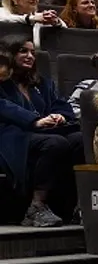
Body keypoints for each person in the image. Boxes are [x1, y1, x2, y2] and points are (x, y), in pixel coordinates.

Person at [0, 36, 81, 226]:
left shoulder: (41, 83)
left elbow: (60, 104)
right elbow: (3, 107)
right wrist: (34, 121)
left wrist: (60, 116)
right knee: (55, 143)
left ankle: (77, 205)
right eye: (23, 51)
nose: (30, 56)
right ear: (8, 54)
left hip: (42, 132)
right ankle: (36, 207)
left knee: (79, 139)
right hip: (11, 135)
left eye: (32, 52)